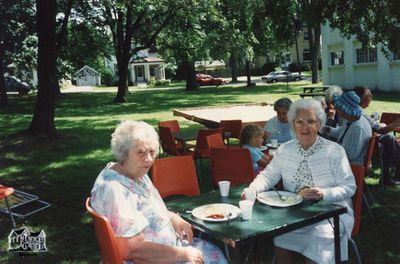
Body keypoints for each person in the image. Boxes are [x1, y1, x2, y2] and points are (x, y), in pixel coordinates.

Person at [90, 120, 227, 264]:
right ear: (123, 153)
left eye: (151, 151)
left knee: (214, 250)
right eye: (140, 152)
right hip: (148, 258)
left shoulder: (136, 173)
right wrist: (180, 254)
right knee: (216, 256)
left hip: (168, 248)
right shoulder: (116, 190)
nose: (148, 159)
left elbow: (151, 208)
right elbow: (131, 249)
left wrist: (173, 218)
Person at [247, 98, 356, 264]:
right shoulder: (285, 150)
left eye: (311, 121)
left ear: (319, 124)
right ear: (293, 125)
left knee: (318, 239)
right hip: (295, 214)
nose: (305, 127)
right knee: (280, 234)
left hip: (332, 213)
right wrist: (253, 189)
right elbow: (267, 176)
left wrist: (323, 194)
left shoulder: (334, 151)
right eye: (299, 122)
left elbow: (349, 187)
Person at [354, 86, 400, 184]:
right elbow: (382, 130)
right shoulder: (359, 112)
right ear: (364, 98)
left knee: (390, 140)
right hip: (363, 144)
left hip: (363, 140)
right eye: (370, 95)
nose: (371, 98)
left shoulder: (354, 109)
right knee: (389, 138)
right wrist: (397, 123)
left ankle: (392, 173)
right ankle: (392, 173)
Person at [324, 91, 372, 165]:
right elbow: (340, 133)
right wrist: (327, 129)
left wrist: (330, 149)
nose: (336, 108)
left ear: (345, 109)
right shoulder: (349, 119)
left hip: (351, 166)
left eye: (338, 107)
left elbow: (351, 155)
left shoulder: (358, 128)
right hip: (343, 160)